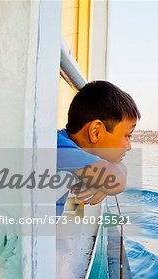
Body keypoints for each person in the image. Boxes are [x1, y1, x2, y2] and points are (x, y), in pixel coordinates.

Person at [56, 81, 140, 215]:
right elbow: (116, 180)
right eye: (127, 136)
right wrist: (108, 179)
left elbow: (118, 169)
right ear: (96, 132)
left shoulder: (67, 145)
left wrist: (104, 182)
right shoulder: (58, 148)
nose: (129, 146)